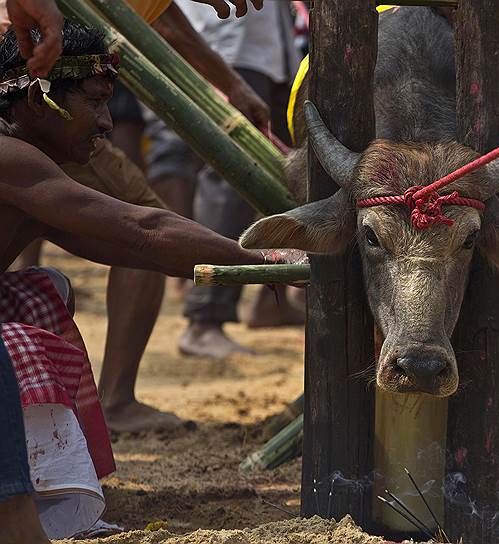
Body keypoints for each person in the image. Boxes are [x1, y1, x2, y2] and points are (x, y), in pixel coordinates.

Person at [0, 22, 294, 538]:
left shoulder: (35, 175)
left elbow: (133, 246)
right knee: (16, 340)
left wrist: (248, 262)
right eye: (94, 101)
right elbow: (142, 229)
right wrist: (261, 255)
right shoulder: (12, 159)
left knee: (46, 291)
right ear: (36, 98)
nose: (107, 123)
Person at [144, 0, 304, 358]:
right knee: (232, 177)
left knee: (285, 172)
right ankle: (205, 318)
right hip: (228, 43)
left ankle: (270, 302)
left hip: (272, 45)